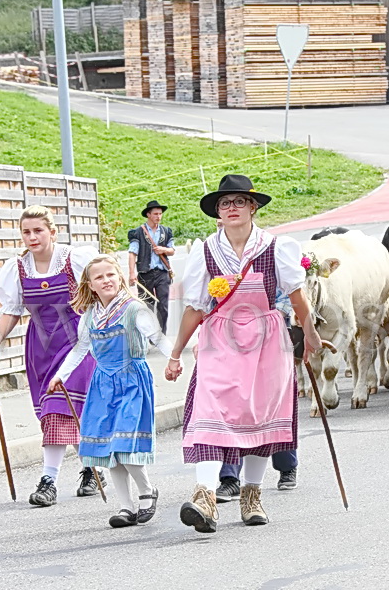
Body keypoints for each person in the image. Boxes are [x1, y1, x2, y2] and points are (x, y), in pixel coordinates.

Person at [165, 174, 322, 534]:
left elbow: (297, 296)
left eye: (238, 201)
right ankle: (204, 494)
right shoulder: (205, 251)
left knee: (259, 415)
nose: (231, 208)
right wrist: (175, 353)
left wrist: (310, 335)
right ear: (217, 213)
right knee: (209, 408)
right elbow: (195, 307)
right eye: (225, 203)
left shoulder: (275, 247)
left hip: (267, 339)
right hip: (220, 338)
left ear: (253, 206)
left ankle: (251, 494)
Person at [49, 255, 173, 528]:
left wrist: (175, 360)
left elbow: (158, 338)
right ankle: (126, 507)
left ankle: (146, 490)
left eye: (110, 275)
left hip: (132, 379)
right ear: (90, 285)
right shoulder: (90, 316)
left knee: (123, 443)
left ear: (120, 277)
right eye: (99, 277)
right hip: (103, 383)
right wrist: (61, 376)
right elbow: (80, 349)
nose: (106, 280)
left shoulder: (135, 309)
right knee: (107, 448)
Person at [0, 205, 100, 507]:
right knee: (64, 414)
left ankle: (48, 481)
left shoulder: (75, 260)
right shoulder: (17, 268)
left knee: (58, 408)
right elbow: (11, 311)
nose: (32, 237)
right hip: (40, 348)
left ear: (53, 231)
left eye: (38, 230)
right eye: (26, 232)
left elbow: (103, 292)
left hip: (77, 343)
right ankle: (91, 468)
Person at [215, 288, 299, 503]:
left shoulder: (273, 255)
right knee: (234, 409)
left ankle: (287, 466)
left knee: (273, 407)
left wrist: (267, 320)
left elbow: (288, 294)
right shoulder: (223, 259)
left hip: (271, 338)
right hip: (232, 338)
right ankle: (229, 478)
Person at [128, 200, 175, 334]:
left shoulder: (166, 232)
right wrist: (132, 273)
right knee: (146, 306)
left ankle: (162, 334)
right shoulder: (137, 233)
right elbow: (132, 253)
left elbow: (172, 250)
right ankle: (148, 333)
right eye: (155, 214)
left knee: (163, 305)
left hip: (162, 273)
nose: (158, 216)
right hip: (145, 273)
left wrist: (163, 249)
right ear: (148, 215)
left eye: (160, 214)